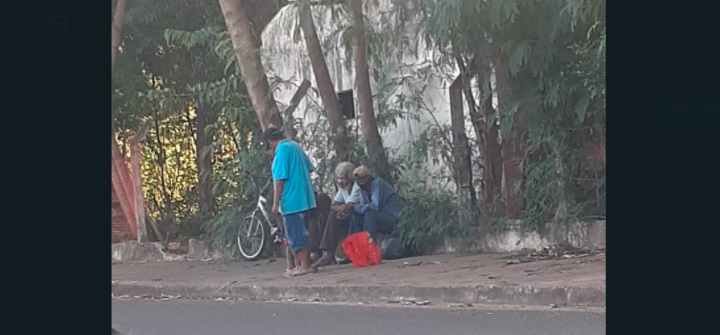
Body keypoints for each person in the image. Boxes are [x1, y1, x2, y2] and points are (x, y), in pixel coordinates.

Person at [264, 127, 318, 277]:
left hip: (292, 200)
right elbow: (309, 169)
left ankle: (305, 265)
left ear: (270, 142)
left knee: (295, 233)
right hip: (305, 197)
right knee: (304, 232)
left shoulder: (281, 151)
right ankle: (303, 263)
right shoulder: (295, 146)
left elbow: (280, 179)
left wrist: (275, 202)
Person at [310, 161, 362, 267]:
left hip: (357, 215)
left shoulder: (356, 187)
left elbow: (349, 206)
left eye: (343, 178)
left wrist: (342, 207)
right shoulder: (343, 189)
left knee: (334, 216)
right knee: (323, 218)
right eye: (338, 178)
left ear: (350, 178)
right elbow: (333, 205)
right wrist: (341, 207)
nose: (340, 181)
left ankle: (328, 254)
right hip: (346, 214)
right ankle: (319, 252)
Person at [349, 166, 404, 242]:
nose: (361, 185)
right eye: (359, 182)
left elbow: (375, 206)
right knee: (356, 216)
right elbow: (363, 206)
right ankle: (354, 246)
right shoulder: (363, 189)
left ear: (369, 179)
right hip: (382, 217)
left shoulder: (378, 183)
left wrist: (355, 207)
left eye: (363, 180)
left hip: (395, 218)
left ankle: (368, 248)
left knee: (370, 215)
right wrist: (354, 209)